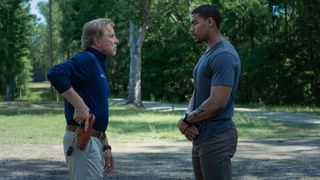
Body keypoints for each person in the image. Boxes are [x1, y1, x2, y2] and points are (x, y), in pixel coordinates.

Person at [47, 18, 118, 180]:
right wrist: (79, 106)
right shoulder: (87, 59)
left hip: (94, 139)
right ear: (97, 40)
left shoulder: (99, 64)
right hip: (83, 140)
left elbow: (96, 108)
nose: (116, 40)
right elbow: (55, 73)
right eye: (112, 36)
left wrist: (105, 144)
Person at [177, 5, 241, 180]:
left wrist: (186, 120)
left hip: (217, 136)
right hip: (202, 135)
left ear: (211, 21)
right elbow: (198, 91)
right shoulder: (209, 53)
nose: (191, 29)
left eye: (195, 23)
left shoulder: (224, 55)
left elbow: (216, 103)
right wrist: (189, 121)